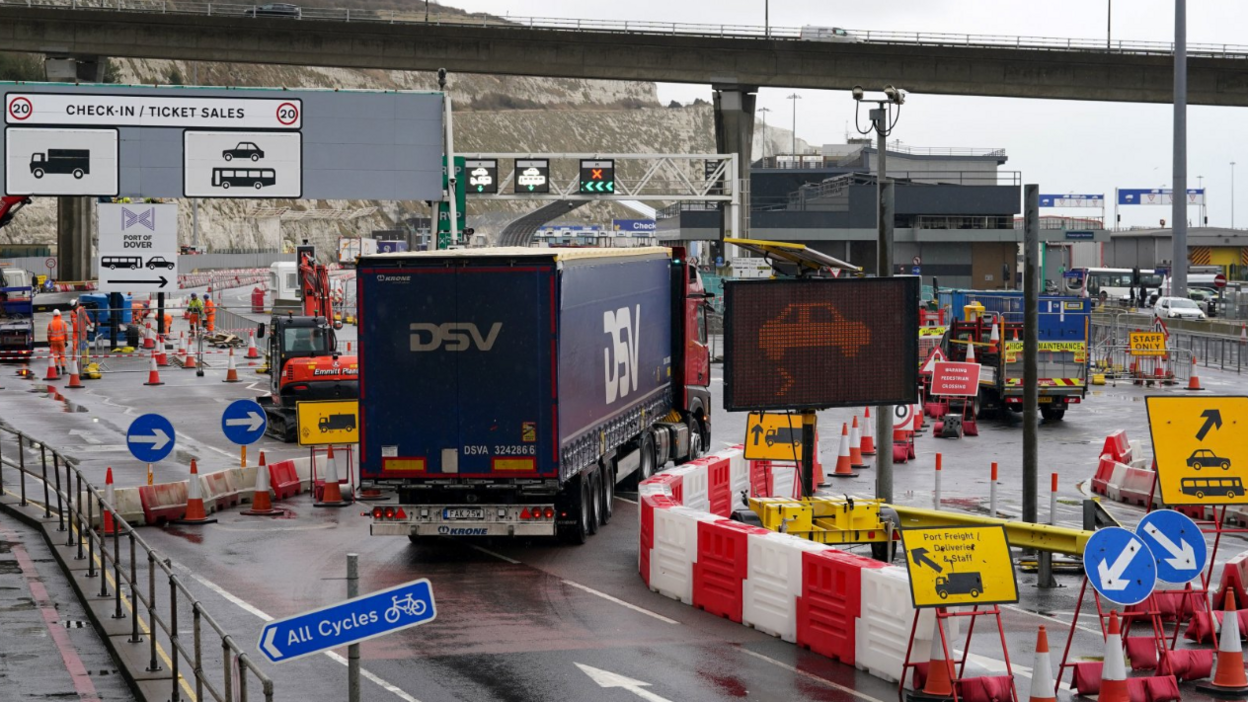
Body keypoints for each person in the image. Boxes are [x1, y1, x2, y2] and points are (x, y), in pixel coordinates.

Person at [47, 309, 68, 375]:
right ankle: (63, 369)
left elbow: (48, 334)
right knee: (62, 355)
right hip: (61, 341)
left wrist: (49, 342)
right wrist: (66, 341)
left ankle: (57, 369)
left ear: (53, 315)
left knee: (55, 356)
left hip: (53, 342)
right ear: (59, 314)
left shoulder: (50, 323)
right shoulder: (63, 322)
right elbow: (66, 333)